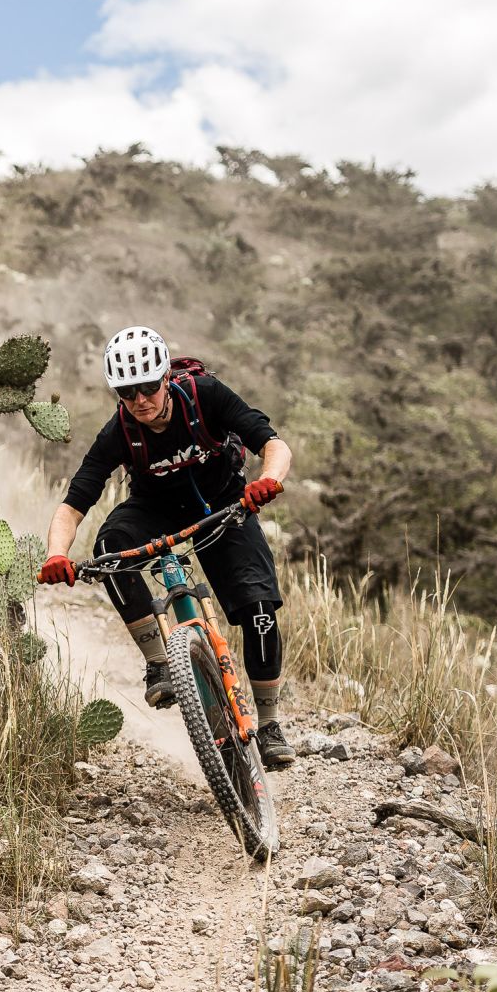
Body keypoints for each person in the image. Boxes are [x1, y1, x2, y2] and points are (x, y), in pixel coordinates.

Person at [35, 326, 296, 768]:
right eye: (127, 392)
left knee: (258, 609)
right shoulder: (119, 432)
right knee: (111, 545)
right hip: (155, 511)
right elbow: (73, 505)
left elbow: (272, 443)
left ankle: (269, 725)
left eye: (148, 387)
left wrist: (268, 480)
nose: (140, 400)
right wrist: (56, 555)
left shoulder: (205, 396)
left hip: (225, 505)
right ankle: (159, 663)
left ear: (165, 380)